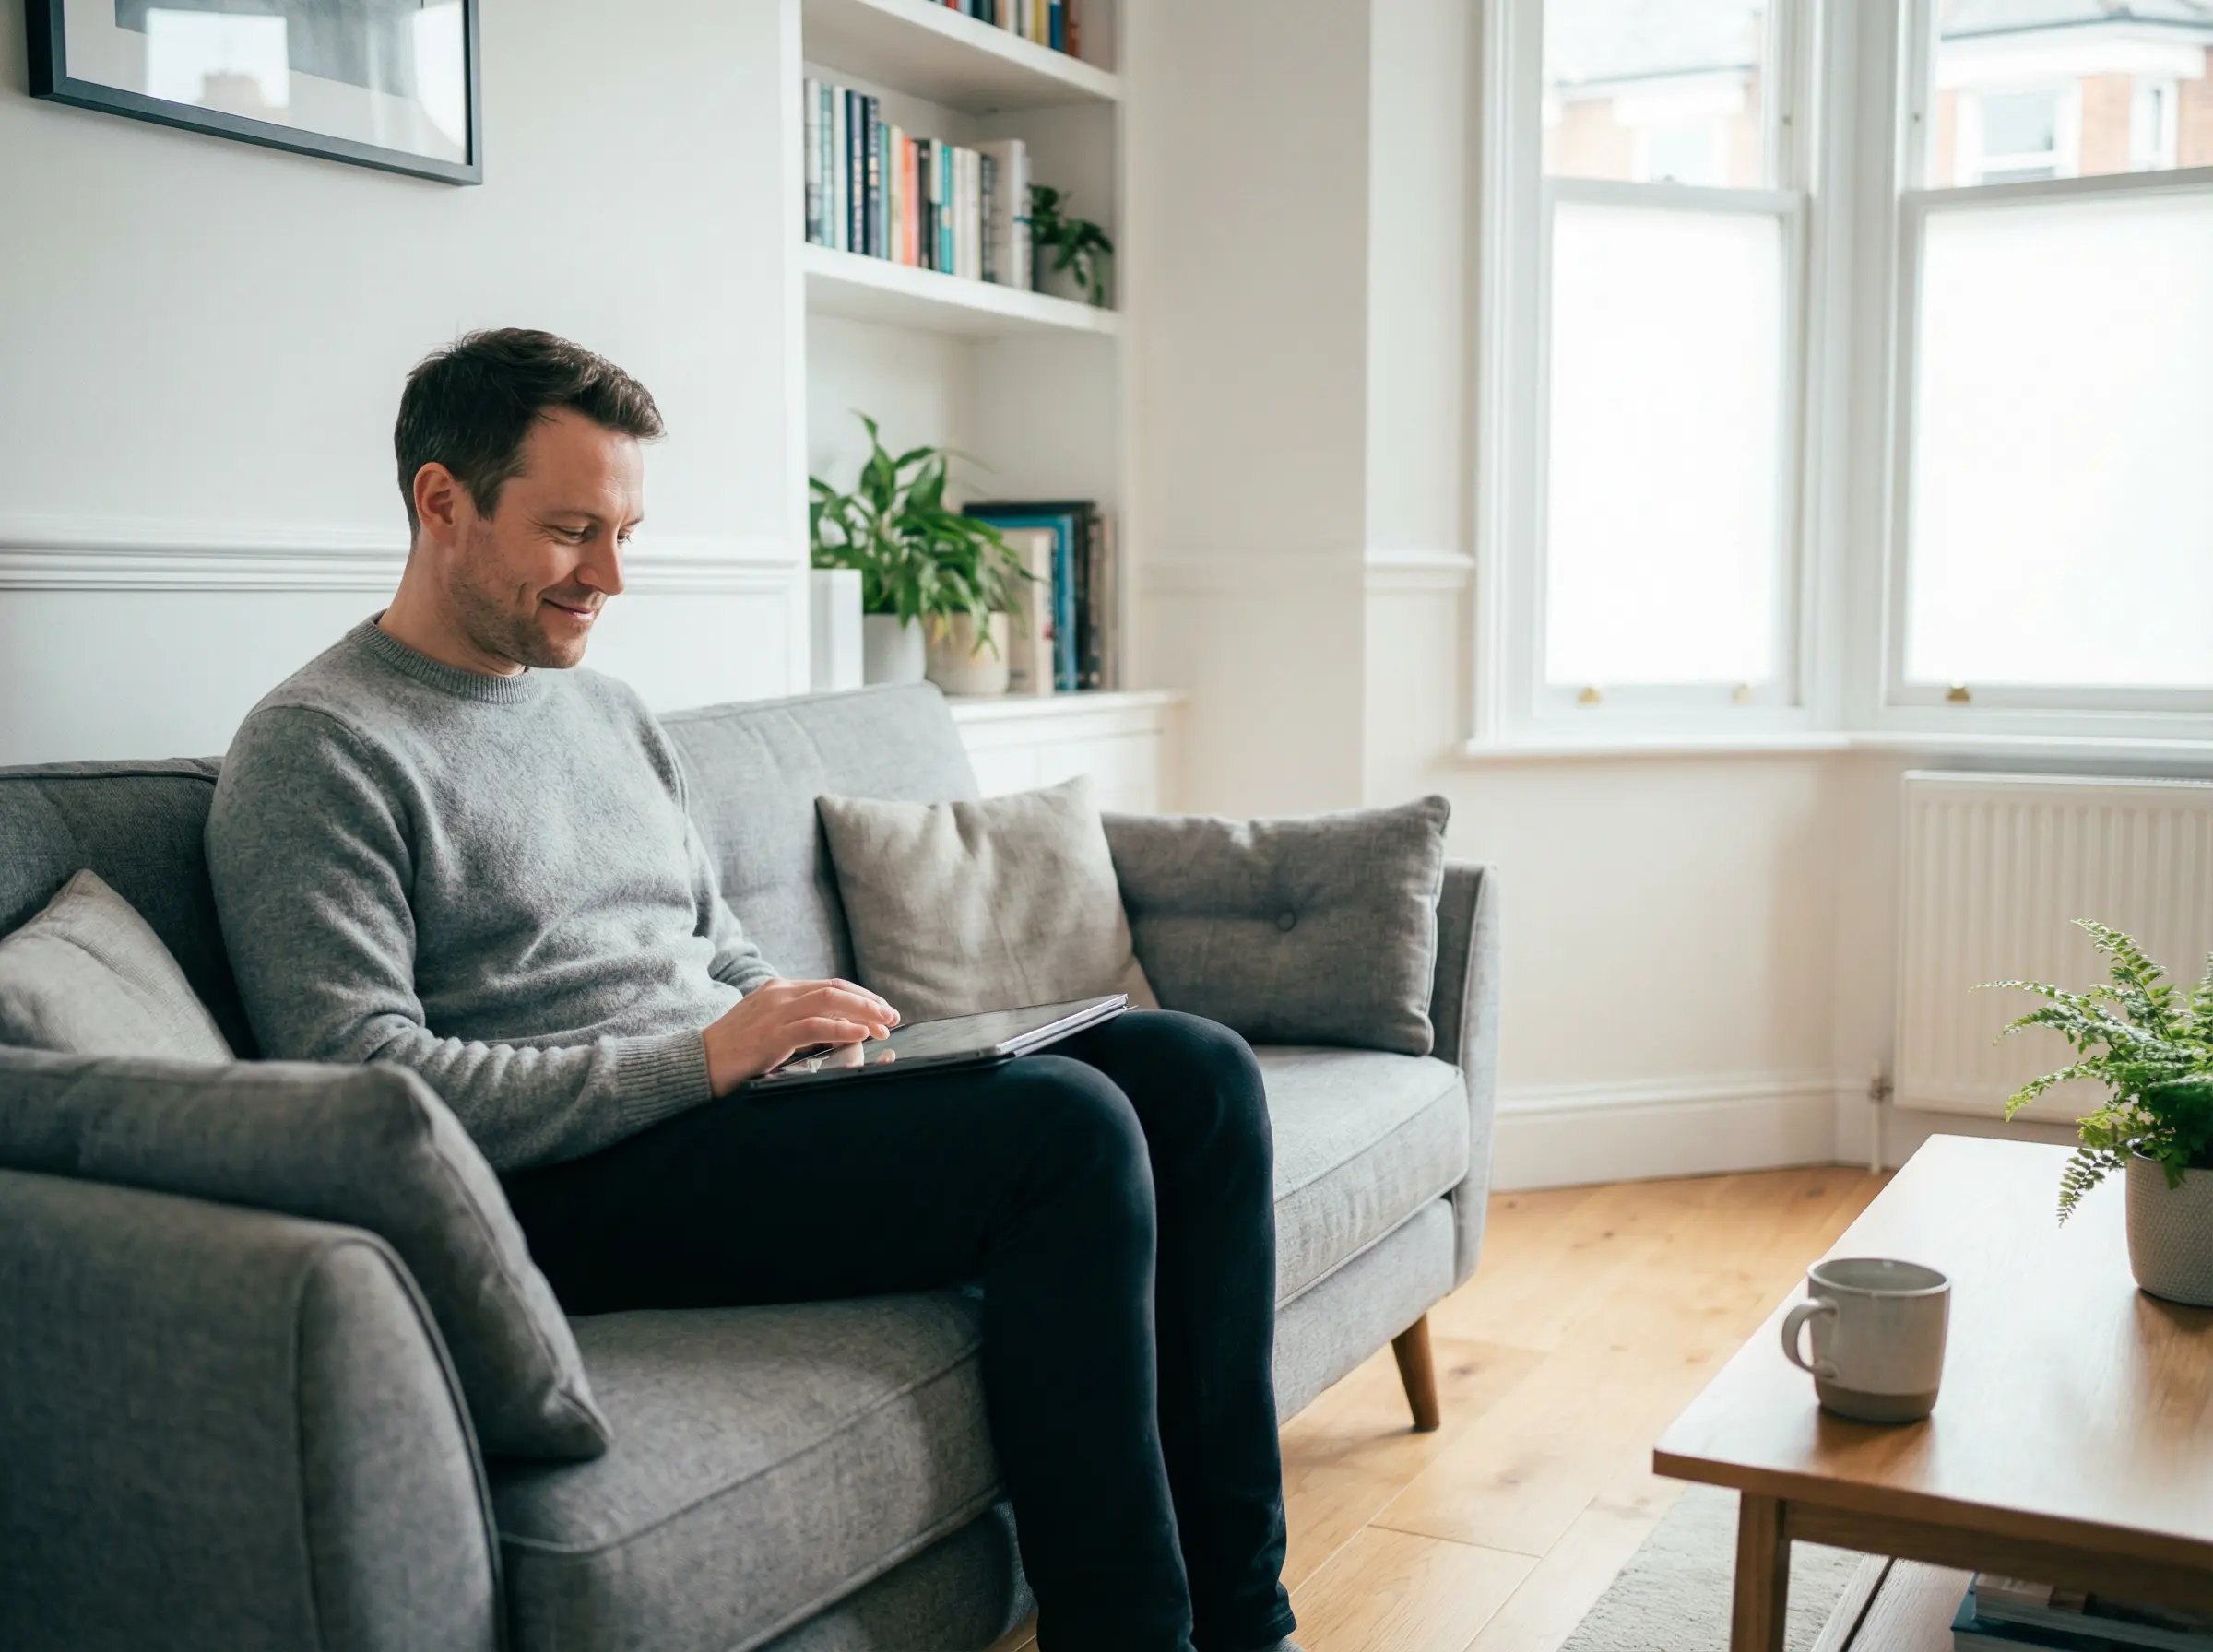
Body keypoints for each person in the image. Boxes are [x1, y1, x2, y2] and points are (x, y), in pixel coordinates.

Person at [206, 328, 1300, 1652]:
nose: (607, 576)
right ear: (443, 503)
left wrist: (807, 1028)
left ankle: (1248, 1620)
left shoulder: (604, 710)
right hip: (566, 1183)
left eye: (622, 533)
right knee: (1065, 1134)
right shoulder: (318, 750)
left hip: (736, 1105)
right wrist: (710, 1060)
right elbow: (363, 1085)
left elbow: (716, 943)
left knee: (1196, 1074)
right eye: (568, 532)